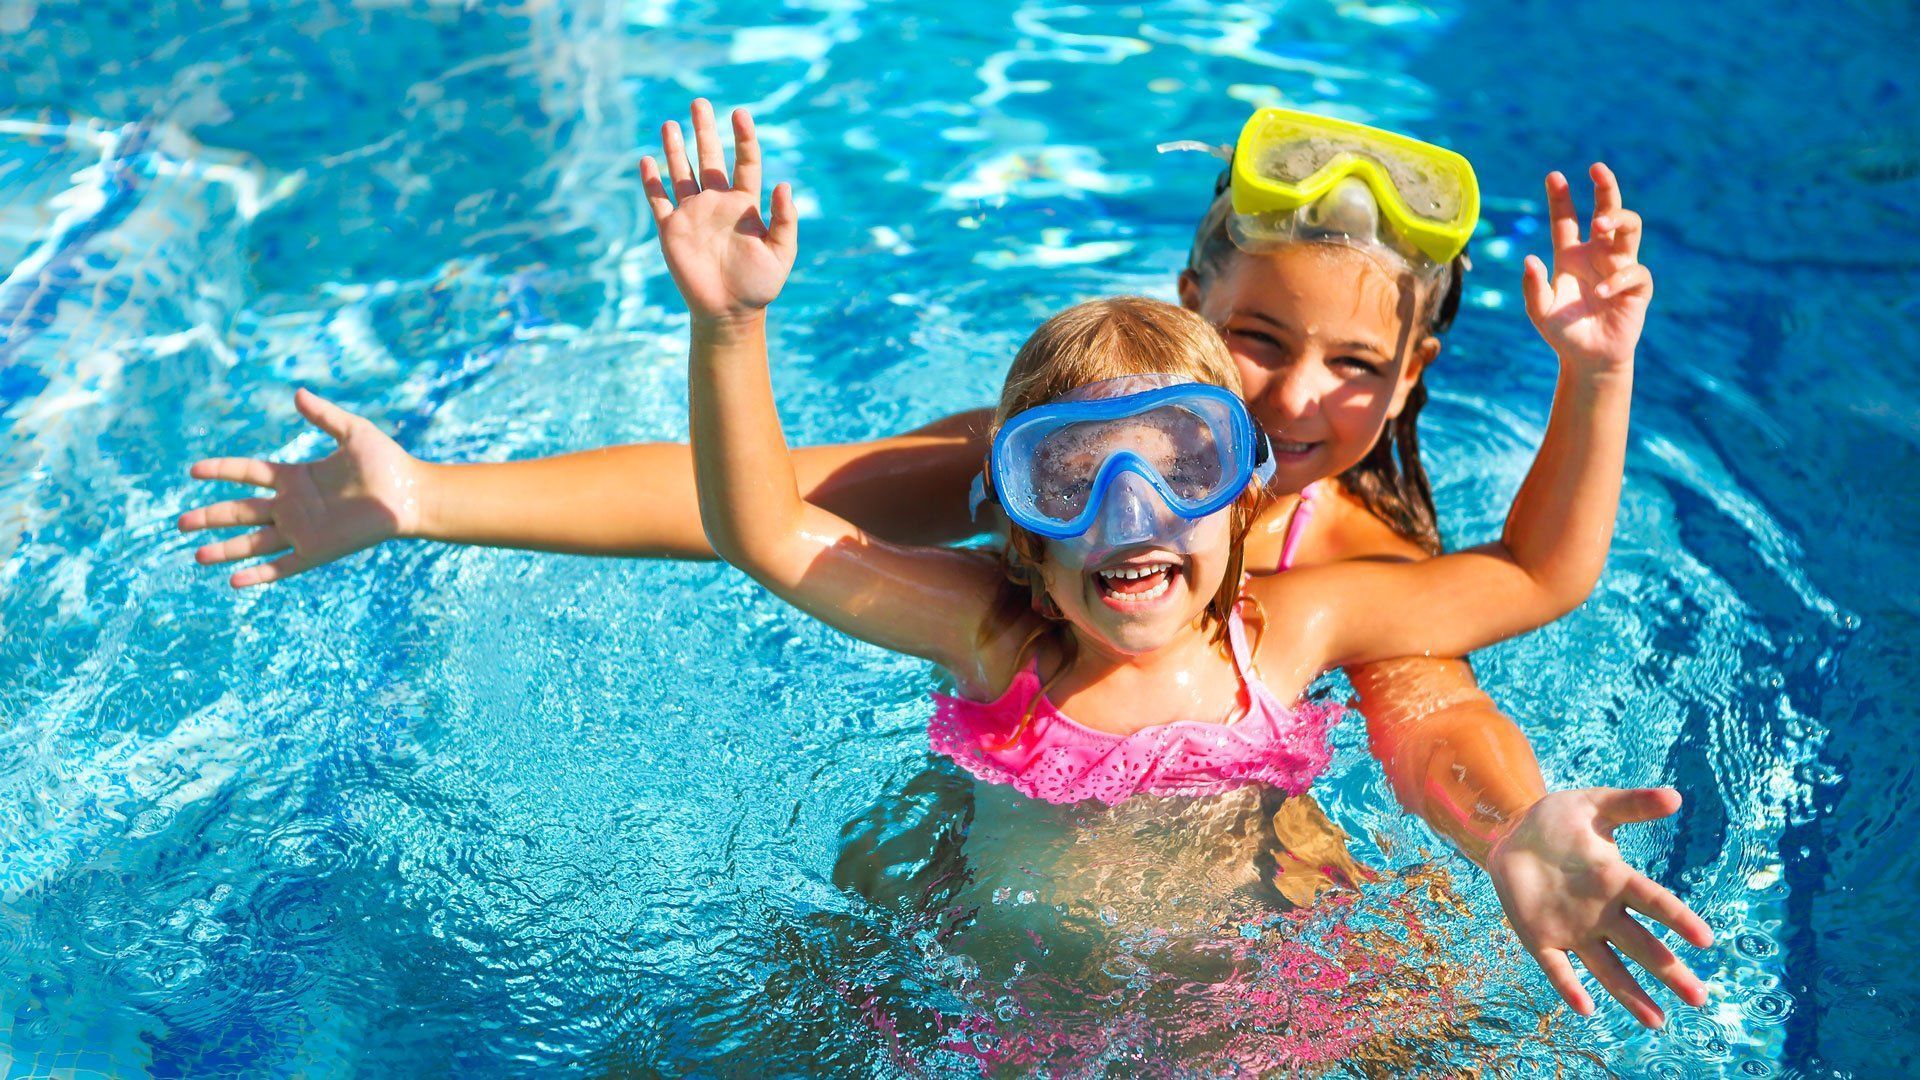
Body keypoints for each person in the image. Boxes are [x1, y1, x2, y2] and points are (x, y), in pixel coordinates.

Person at [179, 101, 1711, 1026]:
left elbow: (1450, 706)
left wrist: (1508, 827)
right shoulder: (1034, 539)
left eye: (1353, 365)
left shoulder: (1319, 592)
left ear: (1414, 372)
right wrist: (436, 492)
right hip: (999, 929)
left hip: (1244, 931)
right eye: (1255, 343)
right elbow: (759, 510)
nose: (1298, 400)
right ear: (1017, 506)